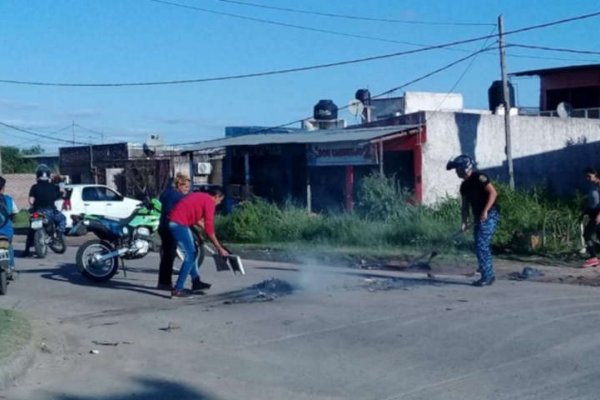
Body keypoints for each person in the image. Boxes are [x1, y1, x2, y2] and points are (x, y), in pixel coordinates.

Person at [447, 155, 500, 286]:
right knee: (479, 245)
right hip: (478, 216)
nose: (456, 172)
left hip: (490, 214)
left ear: (466, 168)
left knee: (482, 244)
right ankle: (486, 272)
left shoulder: (479, 178)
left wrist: (485, 211)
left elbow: (493, 193)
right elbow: (465, 206)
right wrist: (464, 221)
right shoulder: (464, 186)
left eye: (458, 169)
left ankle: (488, 276)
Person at [168, 187, 229, 298]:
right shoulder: (209, 202)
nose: (219, 203)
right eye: (220, 200)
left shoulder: (200, 196)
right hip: (179, 224)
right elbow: (210, 228)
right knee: (190, 255)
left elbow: (195, 218)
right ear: (216, 197)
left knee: (194, 252)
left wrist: (203, 232)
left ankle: (196, 282)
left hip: (177, 222)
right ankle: (178, 289)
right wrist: (219, 248)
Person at [156, 173, 191, 291]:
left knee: (167, 255)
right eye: (185, 187)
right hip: (171, 227)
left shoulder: (166, 193)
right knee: (169, 256)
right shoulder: (177, 196)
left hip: (162, 227)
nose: (187, 190)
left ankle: (163, 282)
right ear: (179, 185)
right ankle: (165, 283)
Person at [23, 164, 67, 256]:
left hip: (37, 212)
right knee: (62, 219)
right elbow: (62, 195)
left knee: (31, 230)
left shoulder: (34, 187)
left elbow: (31, 201)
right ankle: (59, 233)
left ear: (37, 176)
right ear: (48, 175)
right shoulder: (53, 187)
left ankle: (27, 249)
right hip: (51, 212)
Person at [581, 167, 600, 267]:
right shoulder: (592, 185)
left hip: (598, 214)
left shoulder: (599, 184)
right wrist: (585, 211)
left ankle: (593, 258)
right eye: (586, 177)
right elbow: (592, 201)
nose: (587, 178)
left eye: (589, 176)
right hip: (592, 213)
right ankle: (595, 257)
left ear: (595, 174)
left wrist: (599, 216)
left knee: (587, 235)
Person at [0, 176, 19, 271]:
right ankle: (11, 266)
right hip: (7, 232)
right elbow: (15, 213)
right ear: (3, 188)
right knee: (9, 246)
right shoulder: (8, 199)